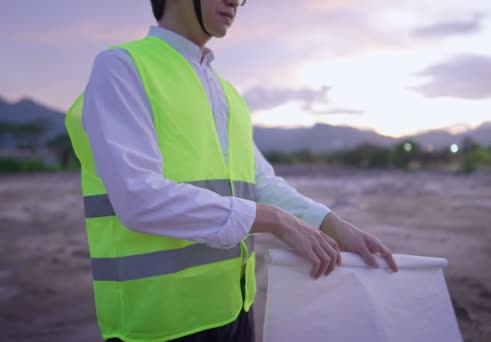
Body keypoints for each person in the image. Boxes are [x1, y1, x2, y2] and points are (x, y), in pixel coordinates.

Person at [65, 0, 398, 341]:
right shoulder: (123, 66)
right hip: (159, 323)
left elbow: (261, 183)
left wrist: (331, 224)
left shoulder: (228, 95)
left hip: (235, 310)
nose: (233, 2)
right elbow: (139, 197)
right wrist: (276, 220)